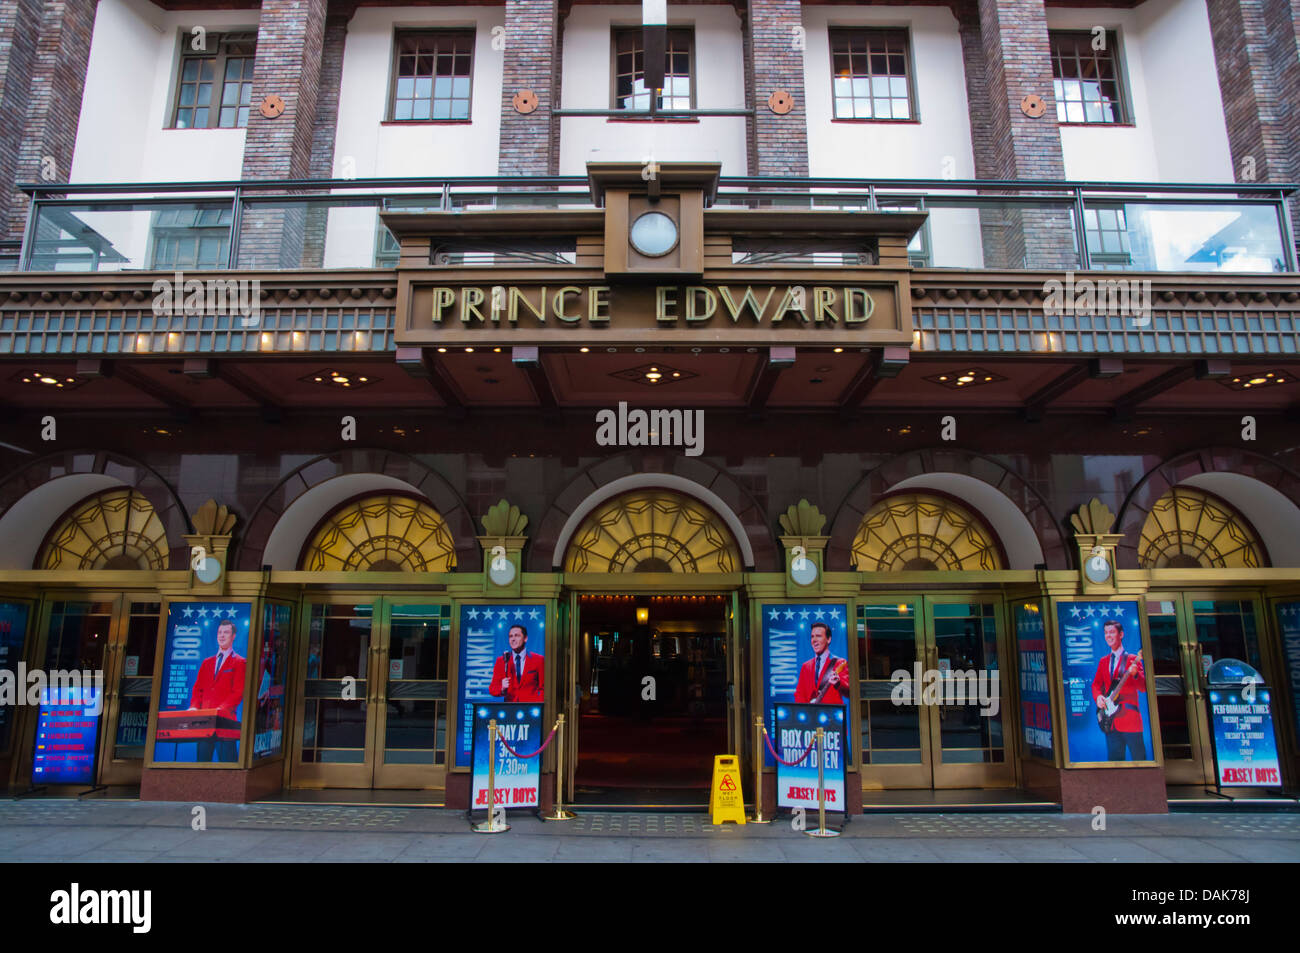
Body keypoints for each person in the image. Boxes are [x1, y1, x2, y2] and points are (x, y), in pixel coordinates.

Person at [188, 619, 245, 762]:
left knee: (228, 764)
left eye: (226, 632)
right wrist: (194, 707)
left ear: (233, 636)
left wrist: (220, 710)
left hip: (225, 722)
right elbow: (198, 688)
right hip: (204, 723)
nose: (222, 635)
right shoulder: (207, 663)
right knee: (202, 762)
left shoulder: (239, 662)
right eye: (220, 632)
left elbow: (238, 692)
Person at [1091, 619, 1147, 761]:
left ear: (1121, 634)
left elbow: (1143, 687)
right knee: (1115, 764)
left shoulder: (1133, 659)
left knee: (1139, 760)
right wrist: (1098, 697)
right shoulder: (1103, 661)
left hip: (1131, 721)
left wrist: (1135, 674)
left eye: (1112, 632)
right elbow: (1096, 684)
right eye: (1106, 633)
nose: (1108, 636)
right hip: (1111, 723)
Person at [794, 621, 849, 704]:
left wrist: (838, 683)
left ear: (828, 639)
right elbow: (799, 695)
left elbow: (849, 692)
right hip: (811, 715)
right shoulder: (805, 666)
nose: (814, 640)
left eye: (818, 636)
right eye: (812, 637)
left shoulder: (839, 663)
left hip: (832, 714)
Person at [490, 623, 544, 703]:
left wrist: (537, 704)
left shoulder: (539, 660)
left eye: (517, 635)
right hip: (510, 709)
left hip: (531, 710)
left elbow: (544, 688)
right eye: (510, 636)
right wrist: (502, 688)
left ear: (525, 638)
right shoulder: (501, 661)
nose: (513, 639)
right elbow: (493, 688)